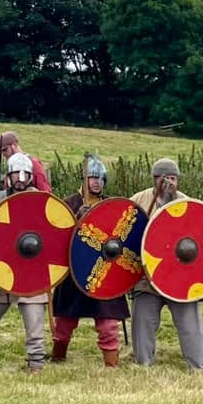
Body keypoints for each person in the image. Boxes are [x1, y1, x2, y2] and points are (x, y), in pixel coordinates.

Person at [129, 157, 203, 369]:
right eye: (164, 178)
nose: (169, 183)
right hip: (147, 276)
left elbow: (200, 240)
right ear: (155, 179)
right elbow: (123, 230)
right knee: (143, 323)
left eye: (173, 178)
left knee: (190, 324)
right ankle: (142, 364)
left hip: (180, 277)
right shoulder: (140, 200)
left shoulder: (186, 203)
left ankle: (200, 366)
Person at [0, 153, 48, 373]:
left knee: (34, 321)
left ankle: (36, 362)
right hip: (3, 269)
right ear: (7, 177)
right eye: (16, 173)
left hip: (32, 270)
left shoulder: (40, 201)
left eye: (25, 174)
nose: (21, 178)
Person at [50, 156, 127, 367]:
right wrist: (75, 218)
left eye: (100, 178)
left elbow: (122, 239)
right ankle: (58, 356)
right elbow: (57, 237)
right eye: (92, 177)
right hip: (75, 271)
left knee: (108, 323)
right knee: (65, 322)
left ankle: (111, 364)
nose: (96, 182)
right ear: (83, 179)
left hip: (105, 272)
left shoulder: (111, 205)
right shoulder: (68, 204)